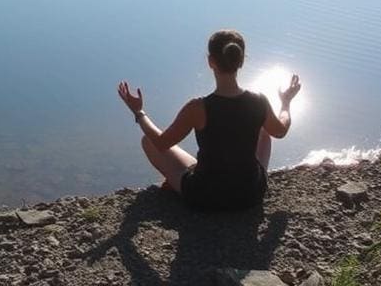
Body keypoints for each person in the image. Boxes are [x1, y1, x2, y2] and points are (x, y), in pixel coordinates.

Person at [117, 28, 301, 211]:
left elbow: (161, 143)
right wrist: (285, 102)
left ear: (210, 62)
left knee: (148, 140)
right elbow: (280, 130)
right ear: (242, 61)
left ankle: (184, 181)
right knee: (265, 132)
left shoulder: (198, 107)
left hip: (205, 196)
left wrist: (139, 112)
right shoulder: (259, 101)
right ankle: (238, 176)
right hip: (250, 194)